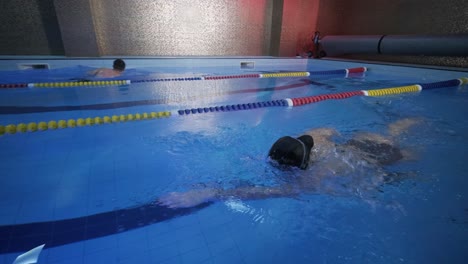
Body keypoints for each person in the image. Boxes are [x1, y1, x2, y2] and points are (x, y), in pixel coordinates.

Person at [158, 118, 422, 209]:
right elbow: (331, 129)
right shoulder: (312, 139)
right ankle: (405, 123)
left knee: (402, 146)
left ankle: (411, 123)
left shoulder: (316, 176)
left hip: (379, 154)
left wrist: (210, 193)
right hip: (360, 141)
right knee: (392, 131)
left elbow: (268, 192)